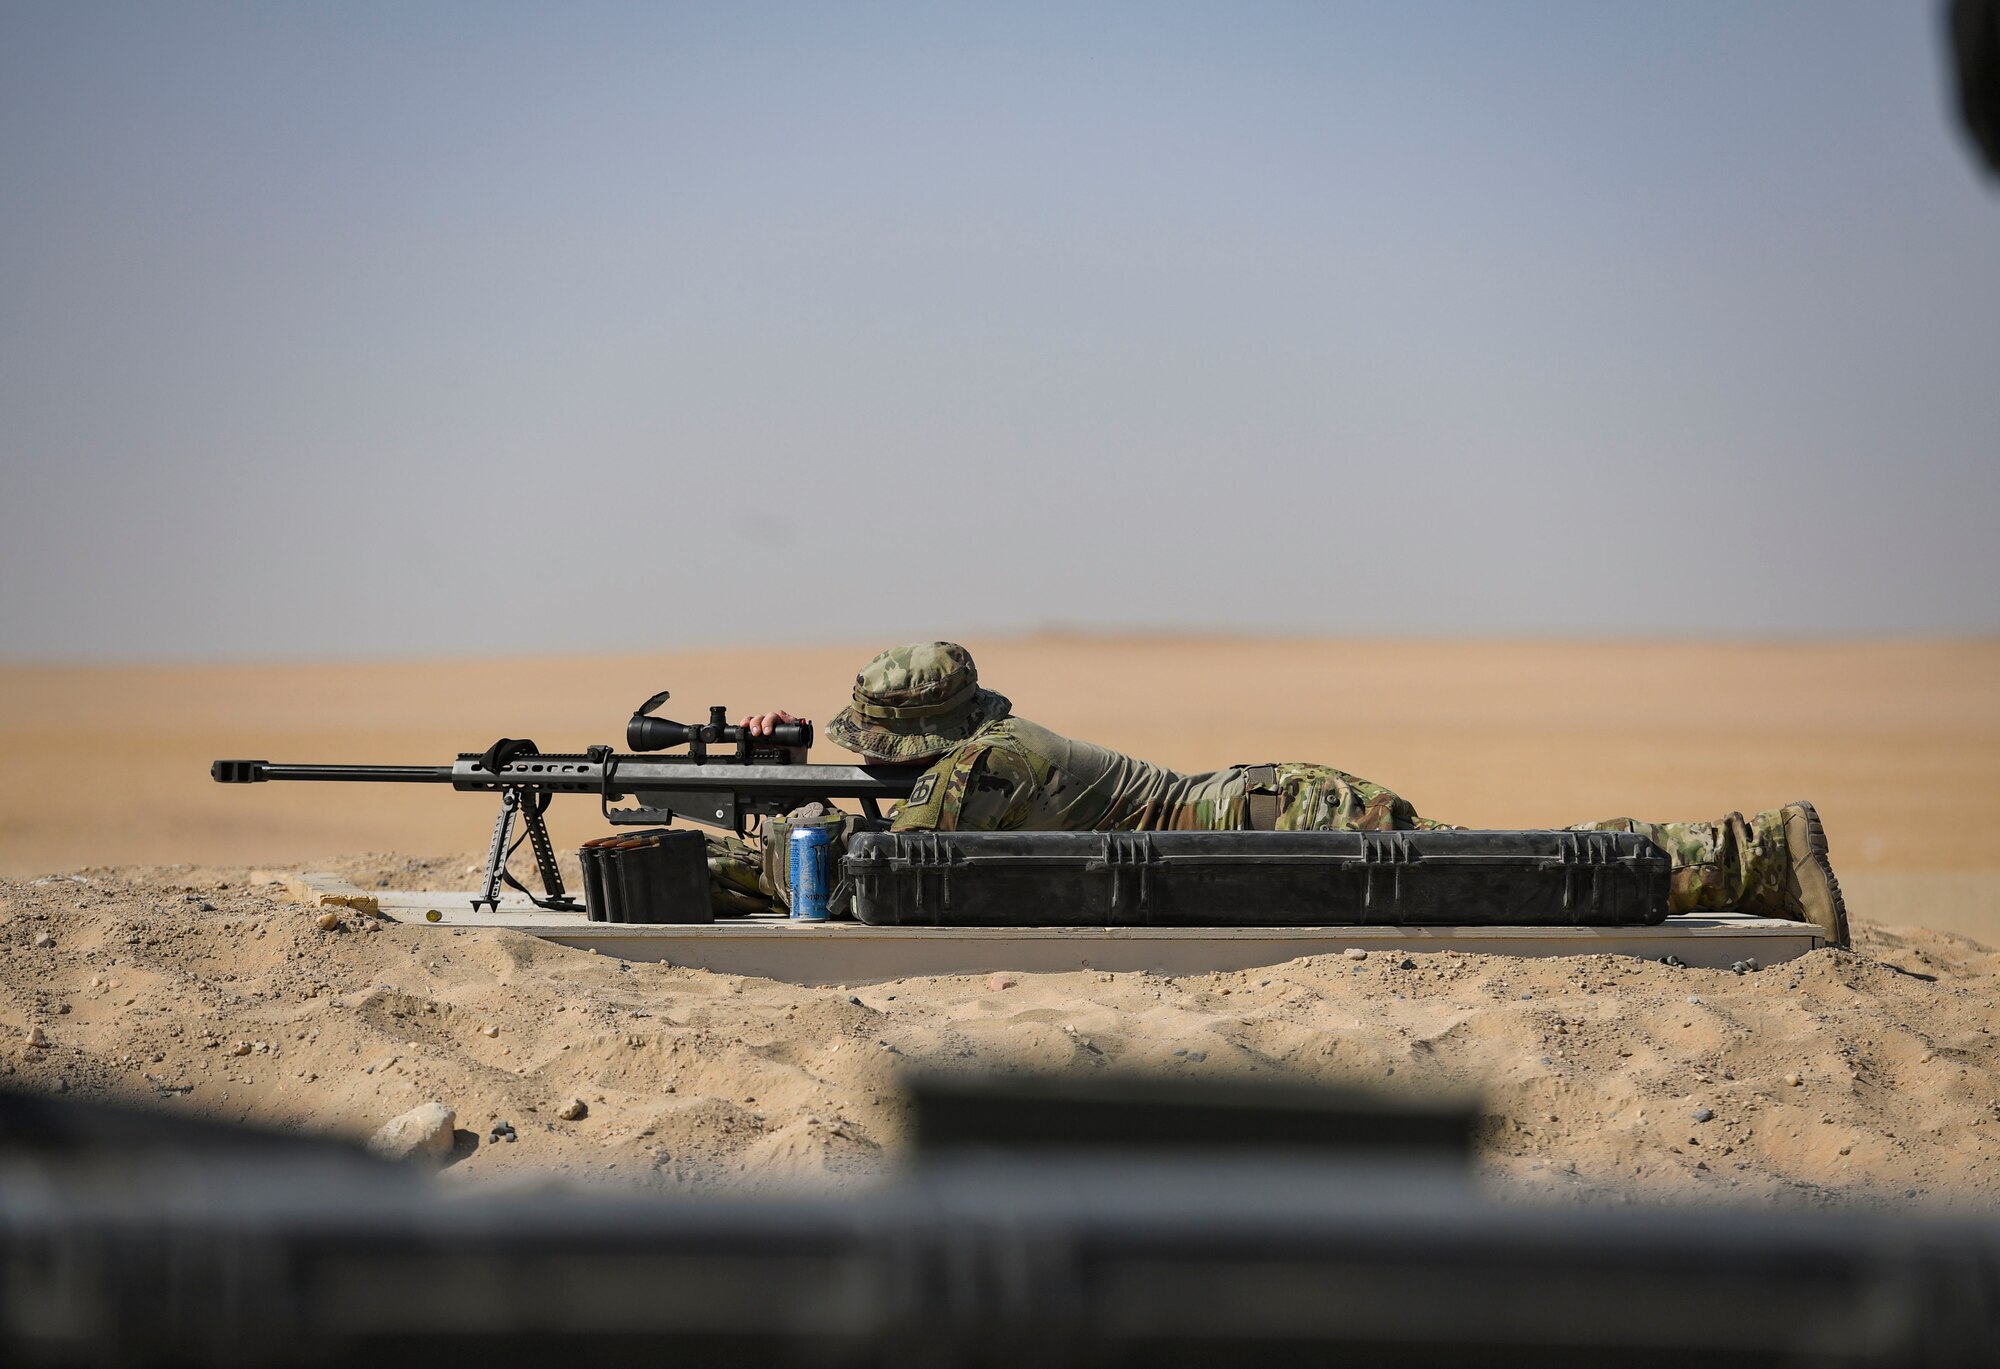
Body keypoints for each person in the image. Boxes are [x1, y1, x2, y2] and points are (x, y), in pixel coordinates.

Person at [741, 641, 1850, 947]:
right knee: (1503, 864)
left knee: (1510, 873)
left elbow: (855, 877)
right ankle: (1738, 848)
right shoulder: (985, 750)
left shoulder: (989, 768)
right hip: (1268, 806)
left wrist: (760, 841)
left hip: (1278, 820)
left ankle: (1744, 849)